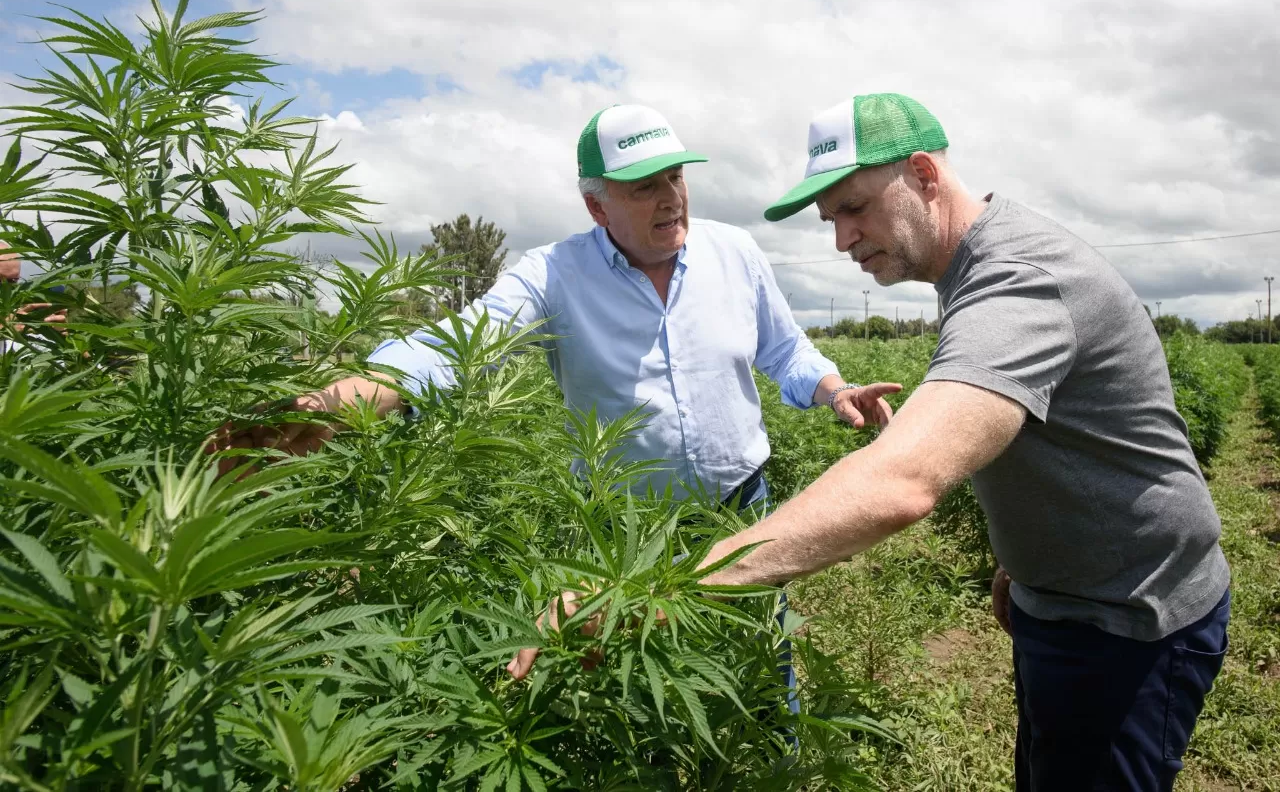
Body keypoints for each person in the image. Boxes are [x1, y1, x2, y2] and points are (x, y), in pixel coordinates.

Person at [509, 93, 1230, 792]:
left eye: (854, 208)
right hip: (1063, 596)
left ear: (923, 174)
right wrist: (1030, 557)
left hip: (1133, 616)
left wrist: (651, 593)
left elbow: (902, 480)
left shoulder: (1017, 282)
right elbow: (1044, 431)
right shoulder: (974, 267)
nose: (841, 239)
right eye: (831, 218)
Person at [210, 104, 902, 712]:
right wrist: (337, 403)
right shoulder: (552, 274)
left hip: (740, 503)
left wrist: (835, 390)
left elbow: (786, 352)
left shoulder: (736, 252)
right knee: (645, 684)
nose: (670, 199)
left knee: (759, 663)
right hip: (624, 525)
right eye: (643, 188)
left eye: (675, 178)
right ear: (597, 207)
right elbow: (456, 344)